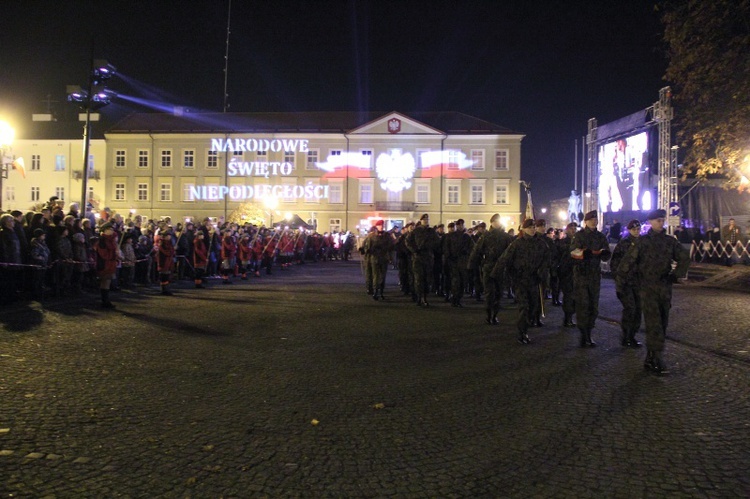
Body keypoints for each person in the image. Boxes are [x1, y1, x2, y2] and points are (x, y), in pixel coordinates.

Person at [618, 209, 690, 374]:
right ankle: (656, 358)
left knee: (662, 323)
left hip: (664, 289)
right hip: (648, 289)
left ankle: (650, 358)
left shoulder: (669, 241)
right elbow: (626, 264)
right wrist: (627, 283)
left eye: (662, 220)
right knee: (654, 324)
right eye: (657, 220)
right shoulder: (642, 242)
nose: (661, 223)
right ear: (650, 222)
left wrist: (675, 276)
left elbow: (684, 257)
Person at [492, 218, 550, 344]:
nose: (533, 229)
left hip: (534, 280)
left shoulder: (541, 244)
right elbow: (504, 258)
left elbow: (547, 259)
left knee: (533, 307)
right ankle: (522, 333)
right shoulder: (517, 244)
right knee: (524, 307)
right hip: (520, 280)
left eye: (534, 227)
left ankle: (527, 326)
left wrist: (542, 271)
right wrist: (495, 274)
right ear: (524, 229)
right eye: (530, 227)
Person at [570, 210, 611, 348]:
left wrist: (604, 254)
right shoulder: (579, 236)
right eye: (591, 220)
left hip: (594, 275)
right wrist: (584, 253)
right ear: (586, 222)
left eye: (595, 219)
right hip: (581, 275)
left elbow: (606, 253)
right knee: (583, 305)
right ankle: (584, 334)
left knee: (593, 306)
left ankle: (589, 330)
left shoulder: (600, 236)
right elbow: (573, 252)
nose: (594, 221)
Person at [469, 213, 513, 325]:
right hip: (488, 266)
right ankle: (489, 315)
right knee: (489, 293)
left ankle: (495, 315)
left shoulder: (505, 237)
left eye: (498, 221)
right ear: (492, 223)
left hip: (500, 268)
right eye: (495, 221)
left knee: (499, 293)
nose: (497, 223)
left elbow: (511, 252)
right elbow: (476, 251)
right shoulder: (486, 236)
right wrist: (471, 264)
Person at [609, 220, 643, 347]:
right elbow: (614, 263)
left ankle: (632, 335)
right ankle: (626, 336)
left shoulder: (643, 243)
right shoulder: (623, 244)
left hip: (639, 283)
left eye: (638, 229)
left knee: (638, 310)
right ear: (629, 230)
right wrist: (619, 280)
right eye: (634, 229)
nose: (636, 231)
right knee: (630, 309)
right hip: (626, 282)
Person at [406, 214, 440, 307]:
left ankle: (424, 297)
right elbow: (408, 241)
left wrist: (429, 246)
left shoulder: (431, 231)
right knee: (418, 279)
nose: (426, 221)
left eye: (427, 219)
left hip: (428, 257)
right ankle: (419, 297)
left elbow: (437, 242)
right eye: (424, 219)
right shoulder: (416, 231)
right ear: (421, 221)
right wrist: (414, 250)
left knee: (427, 279)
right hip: (418, 258)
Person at [444, 219, 473, 307]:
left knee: (463, 282)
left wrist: (466, 253)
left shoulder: (467, 237)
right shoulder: (451, 236)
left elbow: (472, 248)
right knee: (455, 281)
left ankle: (458, 298)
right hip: (454, 262)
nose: (460, 226)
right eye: (458, 225)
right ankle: (454, 299)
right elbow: (446, 248)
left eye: (462, 225)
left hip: (463, 261)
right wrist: (449, 257)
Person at [362, 220, 394, 300]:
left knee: (383, 276)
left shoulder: (387, 236)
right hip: (374, 258)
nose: (381, 227)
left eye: (382, 226)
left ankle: (381, 291)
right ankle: (375, 291)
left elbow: (391, 246)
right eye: (380, 225)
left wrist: (389, 256)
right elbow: (367, 247)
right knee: (375, 276)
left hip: (384, 258)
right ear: (376, 226)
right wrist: (367, 250)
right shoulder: (371, 236)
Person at [556, 222, 578, 327]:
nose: (573, 230)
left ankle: (571, 316)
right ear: (567, 230)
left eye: (575, 228)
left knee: (575, 296)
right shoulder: (563, 242)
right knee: (568, 296)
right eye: (571, 228)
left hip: (577, 272)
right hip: (567, 272)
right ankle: (567, 318)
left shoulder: (579, 242)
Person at [95, 223, 120, 308]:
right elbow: (103, 254)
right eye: (110, 229)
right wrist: (113, 255)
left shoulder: (111, 240)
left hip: (110, 264)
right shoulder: (102, 240)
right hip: (104, 264)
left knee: (107, 282)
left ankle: (106, 300)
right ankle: (104, 301)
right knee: (105, 282)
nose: (112, 231)